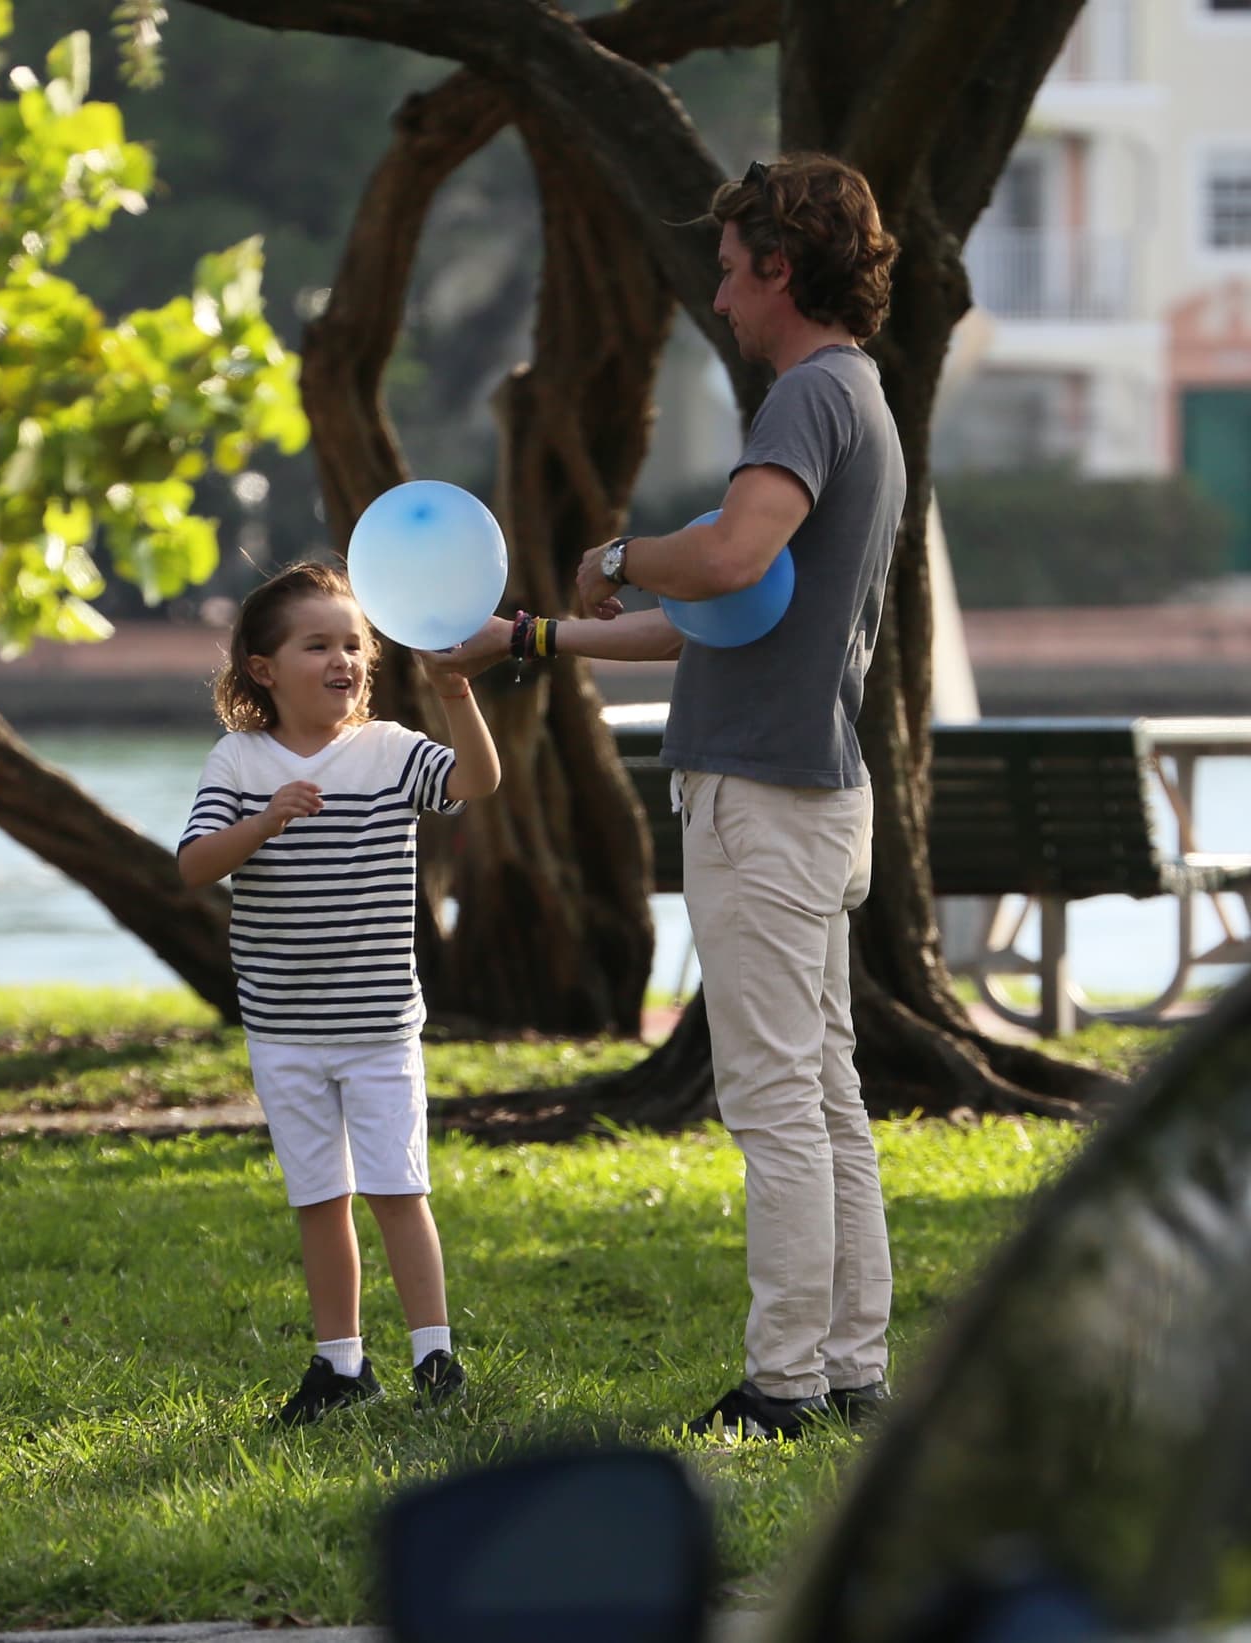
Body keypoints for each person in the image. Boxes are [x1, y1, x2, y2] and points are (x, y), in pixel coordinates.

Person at [423, 152, 905, 1440]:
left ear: (778, 268)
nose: (721, 295)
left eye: (730, 269)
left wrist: (615, 553)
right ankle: (849, 1368)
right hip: (815, 797)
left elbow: (730, 553)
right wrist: (533, 637)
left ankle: (783, 1385)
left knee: (769, 1099)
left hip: (764, 804)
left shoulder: (806, 399)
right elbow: (713, 626)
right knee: (824, 1089)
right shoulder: (854, 398)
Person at [178, 560, 500, 1426]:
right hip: (283, 1030)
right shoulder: (239, 759)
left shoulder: (391, 751)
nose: (343, 659)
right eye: (317, 643)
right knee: (319, 1197)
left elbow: (476, 781)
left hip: (379, 1028)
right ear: (262, 669)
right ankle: (340, 1364)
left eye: (353, 643)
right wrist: (265, 818)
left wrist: (458, 693)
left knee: (399, 1190)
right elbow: (195, 863)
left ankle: (435, 1354)